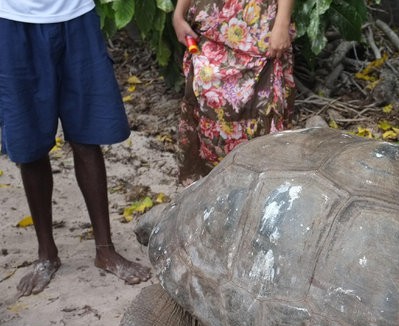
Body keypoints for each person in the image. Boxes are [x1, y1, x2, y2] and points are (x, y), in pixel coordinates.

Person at [0, 0, 152, 299]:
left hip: (76, 16)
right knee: (30, 143)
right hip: (13, 21)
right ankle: (47, 254)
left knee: (87, 135)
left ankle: (105, 251)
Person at [172, 0, 296, 185]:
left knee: (264, 124)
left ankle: (259, 195)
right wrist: (178, 15)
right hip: (210, 28)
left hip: (259, 33)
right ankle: (214, 193)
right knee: (208, 125)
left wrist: (282, 21)